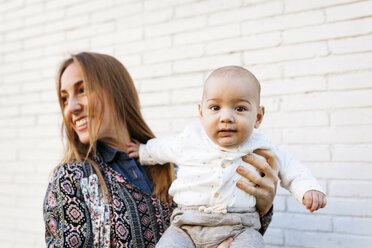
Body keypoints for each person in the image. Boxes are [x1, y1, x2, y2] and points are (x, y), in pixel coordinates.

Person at [43, 52, 279, 248]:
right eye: (64, 99)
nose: (71, 107)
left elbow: (230, 232)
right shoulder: (73, 180)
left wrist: (262, 206)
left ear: (116, 92)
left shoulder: (179, 167)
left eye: (82, 90)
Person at [127, 66, 327, 248]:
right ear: (201, 113)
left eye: (240, 108)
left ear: (258, 117)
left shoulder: (261, 146)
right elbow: (163, 147)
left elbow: (291, 167)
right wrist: (143, 151)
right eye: (215, 108)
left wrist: (308, 188)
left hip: (239, 227)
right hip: (186, 226)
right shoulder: (189, 139)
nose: (226, 117)